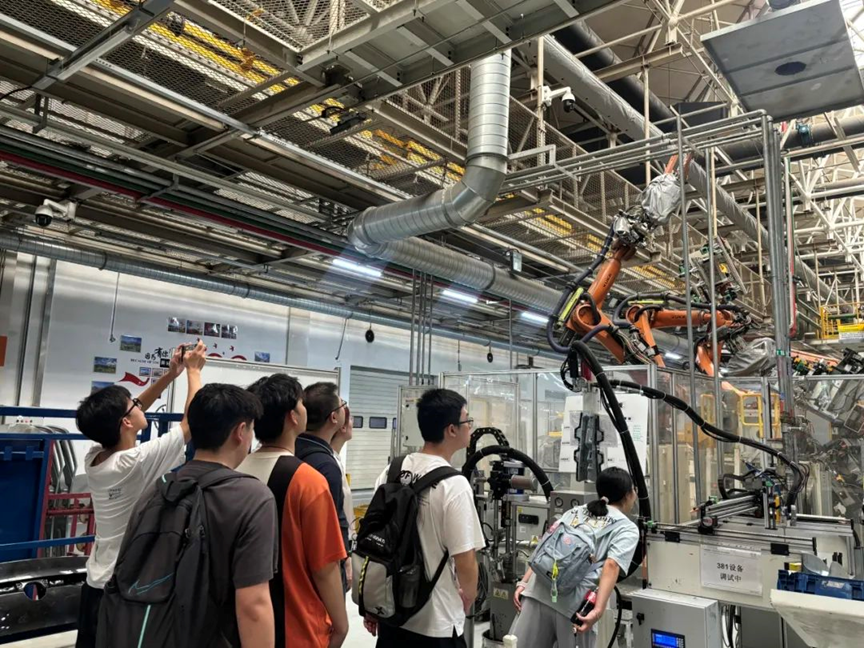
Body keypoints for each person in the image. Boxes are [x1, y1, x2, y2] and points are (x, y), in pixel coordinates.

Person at [120, 383, 278, 647]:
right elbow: (253, 604)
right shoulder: (253, 497)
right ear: (240, 432)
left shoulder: (157, 488)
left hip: (154, 633)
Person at [74, 340, 206, 648]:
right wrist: (193, 371)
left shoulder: (96, 458)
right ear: (126, 422)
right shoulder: (134, 462)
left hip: (95, 580)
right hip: (123, 585)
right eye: (133, 405)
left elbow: (133, 411)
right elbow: (190, 424)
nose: (139, 404)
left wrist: (170, 375)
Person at [364, 389, 485, 648]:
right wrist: (469, 595)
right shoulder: (454, 485)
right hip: (436, 624)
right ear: (451, 430)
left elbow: (373, 541)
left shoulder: (392, 471)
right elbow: (465, 559)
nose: (471, 427)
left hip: (392, 614)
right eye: (467, 420)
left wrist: (373, 601)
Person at [238, 374, 348, 648]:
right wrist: (341, 625)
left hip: (241, 624)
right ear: (293, 417)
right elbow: (325, 568)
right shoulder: (308, 481)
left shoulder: (237, 471)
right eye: (300, 403)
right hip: (297, 626)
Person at [511, 467, 640, 648]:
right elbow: (611, 565)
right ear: (627, 495)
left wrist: (524, 582)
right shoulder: (626, 527)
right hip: (574, 607)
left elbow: (546, 545)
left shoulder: (575, 511)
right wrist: (598, 610)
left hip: (538, 591)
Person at [295, 382, 350, 589]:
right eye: (342, 404)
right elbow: (329, 531)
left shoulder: (295, 448)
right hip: (319, 574)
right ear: (334, 417)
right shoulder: (326, 466)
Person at [330, 408, 355, 590]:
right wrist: (346, 556)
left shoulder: (336, 460)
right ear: (342, 427)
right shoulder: (330, 465)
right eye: (351, 418)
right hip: (338, 553)